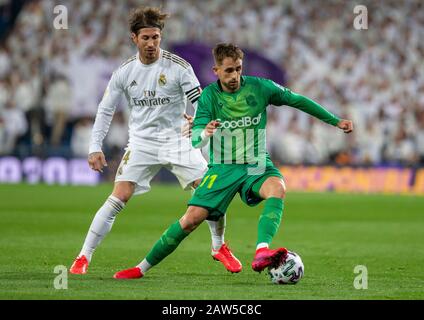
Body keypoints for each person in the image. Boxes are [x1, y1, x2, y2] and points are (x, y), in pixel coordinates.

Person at [113, 43, 353, 279]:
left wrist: (335, 121)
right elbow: (195, 139)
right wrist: (204, 132)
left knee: (277, 188)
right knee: (191, 220)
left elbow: (298, 100)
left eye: (238, 68)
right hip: (223, 168)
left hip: (256, 163)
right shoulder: (208, 97)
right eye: (228, 70)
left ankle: (261, 251)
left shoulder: (260, 87)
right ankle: (141, 268)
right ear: (216, 71)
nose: (235, 75)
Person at [70, 9, 242, 275]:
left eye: (156, 37)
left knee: (210, 190)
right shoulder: (124, 73)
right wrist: (95, 147)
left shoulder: (179, 67)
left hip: (178, 141)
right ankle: (83, 256)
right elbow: (105, 110)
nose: (151, 44)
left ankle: (218, 246)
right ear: (134, 39)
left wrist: (199, 122)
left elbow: (201, 102)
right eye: (146, 38)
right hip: (141, 144)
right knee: (119, 196)